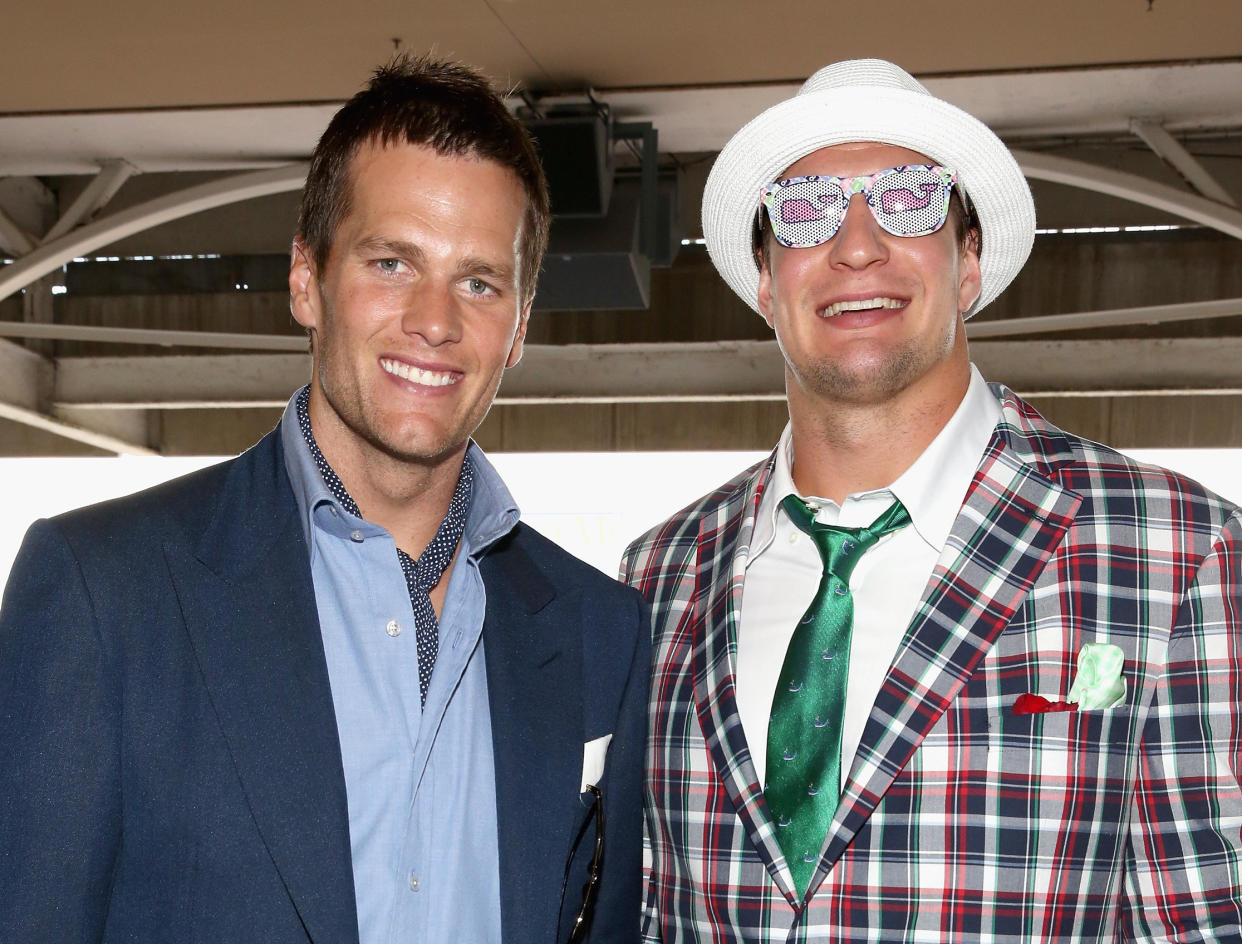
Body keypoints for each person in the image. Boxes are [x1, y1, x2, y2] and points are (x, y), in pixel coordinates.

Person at [0, 54, 647, 944]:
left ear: (522, 324)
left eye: (479, 282)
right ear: (306, 280)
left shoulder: (599, 630)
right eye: (392, 262)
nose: (435, 320)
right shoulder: (102, 594)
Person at [622, 58, 1242, 942]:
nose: (859, 244)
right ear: (765, 281)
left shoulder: (1179, 551)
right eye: (807, 212)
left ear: (970, 264)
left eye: (910, 200)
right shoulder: (658, 576)